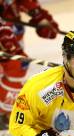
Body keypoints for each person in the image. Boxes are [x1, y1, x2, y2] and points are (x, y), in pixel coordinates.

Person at [0, 0, 59, 129]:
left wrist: (39, 16)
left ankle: (6, 112)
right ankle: (4, 113)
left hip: (10, 30)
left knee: (18, 66)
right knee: (15, 65)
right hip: (5, 31)